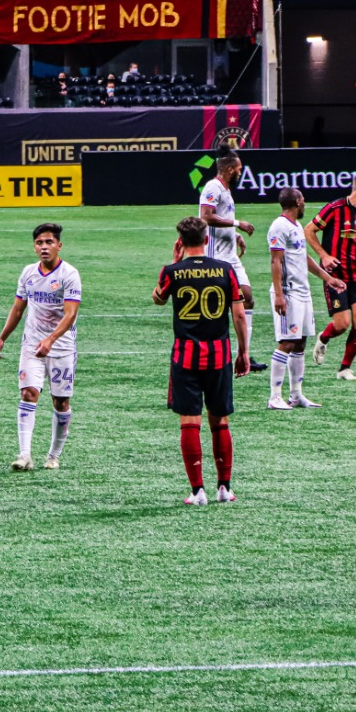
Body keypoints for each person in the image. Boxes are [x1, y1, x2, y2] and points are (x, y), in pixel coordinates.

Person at [153, 216, 248, 504]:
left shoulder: (172, 271)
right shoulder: (226, 269)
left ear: (181, 242)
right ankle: (224, 488)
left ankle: (197, 491)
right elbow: (239, 314)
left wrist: (174, 261)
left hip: (186, 357)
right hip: (219, 355)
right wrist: (243, 352)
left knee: (189, 422)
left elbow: (158, 298)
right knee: (220, 421)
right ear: (206, 239)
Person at [0, 223, 82, 471]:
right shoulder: (28, 273)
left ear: (59, 245)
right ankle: (24, 455)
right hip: (32, 345)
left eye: (49, 242)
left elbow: (70, 314)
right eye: (39, 243)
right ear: (34, 247)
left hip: (61, 348)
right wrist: (2, 337)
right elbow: (18, 309)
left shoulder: (69, 274)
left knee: (60, 402)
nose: (44, 247)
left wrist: (50, 340)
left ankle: (54, 455)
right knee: (28, 393)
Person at [266, 189, 345, 410]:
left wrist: (328, 278)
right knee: (287, 342)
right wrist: (279, 295)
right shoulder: (279, 226)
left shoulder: (296, 226)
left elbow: (303, 257)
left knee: (300, 342)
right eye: (303, 201)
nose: (304, 204)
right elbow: (275, 261)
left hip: (303, 292)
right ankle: (274, 397)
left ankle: (296, 395)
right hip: (288, 292)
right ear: (297, 202)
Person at [306, 169, 356, 380]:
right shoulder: (334, 209)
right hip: (336, 275)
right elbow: (308, 230)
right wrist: (324, 256)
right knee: (341, 325)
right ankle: (323, 338)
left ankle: (345, 368)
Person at [198, 150, 263, 371]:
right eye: (238, 169)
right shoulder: (212, 187)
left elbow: (220, 218)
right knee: (216, 307)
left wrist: (234, 236)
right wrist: (237, 224)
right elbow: (206, 216)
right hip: (215, 257)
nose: (240, 173)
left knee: (248, 299)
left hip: (230, 256)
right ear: (228, 170)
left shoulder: (225, 189)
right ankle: (213, 353)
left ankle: (244, 353)